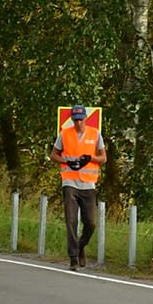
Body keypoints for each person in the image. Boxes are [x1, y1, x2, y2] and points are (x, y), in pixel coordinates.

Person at [53, 104, 107, 270]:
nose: (78, 123)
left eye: (81, 119)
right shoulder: (65, 134)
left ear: (86, 118)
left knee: (90, 223)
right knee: (71, 220)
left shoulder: (95, 134)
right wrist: (67, 161)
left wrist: (90, 158)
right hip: (70, 182)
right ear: (72, 120)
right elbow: (53, 155)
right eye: (75, 120)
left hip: (88, 183)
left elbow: (103, 157)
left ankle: (80, 246)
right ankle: (73, 258)